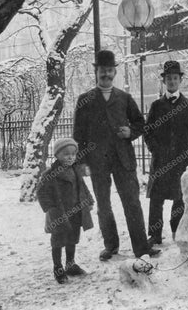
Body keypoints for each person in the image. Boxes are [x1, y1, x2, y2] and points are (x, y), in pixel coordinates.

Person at [73, 50, 160, 261]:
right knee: (103, 205)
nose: (106, 74)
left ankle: (141, 248)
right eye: (102, 70)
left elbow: (140, 123)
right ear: (96, 71)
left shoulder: (125, 98)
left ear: (114, 72)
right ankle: (110, 246)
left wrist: (131, 132)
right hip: (97, 161)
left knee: (132, 202)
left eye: (110, 70)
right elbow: (78, 134)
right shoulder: (85, 100)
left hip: (124, 159)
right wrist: (82, 161)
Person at [144, 60, 188, 246]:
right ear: (164, 81)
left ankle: (177, 230)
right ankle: (154, 235)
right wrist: (155, 149)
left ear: (180, 81)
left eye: (175, 78)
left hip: (181, 161)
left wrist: (187, 153)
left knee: (179, 197)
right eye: (168, 78)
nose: (171, 82)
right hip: (161, 160)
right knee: (156, 198)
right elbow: (148, 132)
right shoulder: (156, 106)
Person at [37, 138, 94, 284]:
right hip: (59, 214)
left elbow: (82, 187)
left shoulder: (76, 170)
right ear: (57, 155)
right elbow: (42, 192)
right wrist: (50, 208)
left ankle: (70, 264)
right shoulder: (50, 174)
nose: (70, 157)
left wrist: (89, 201)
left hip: (75, 211)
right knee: (58, 241)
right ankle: (58, 268)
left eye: (73, 154)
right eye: (66, 154)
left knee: (72, 239)